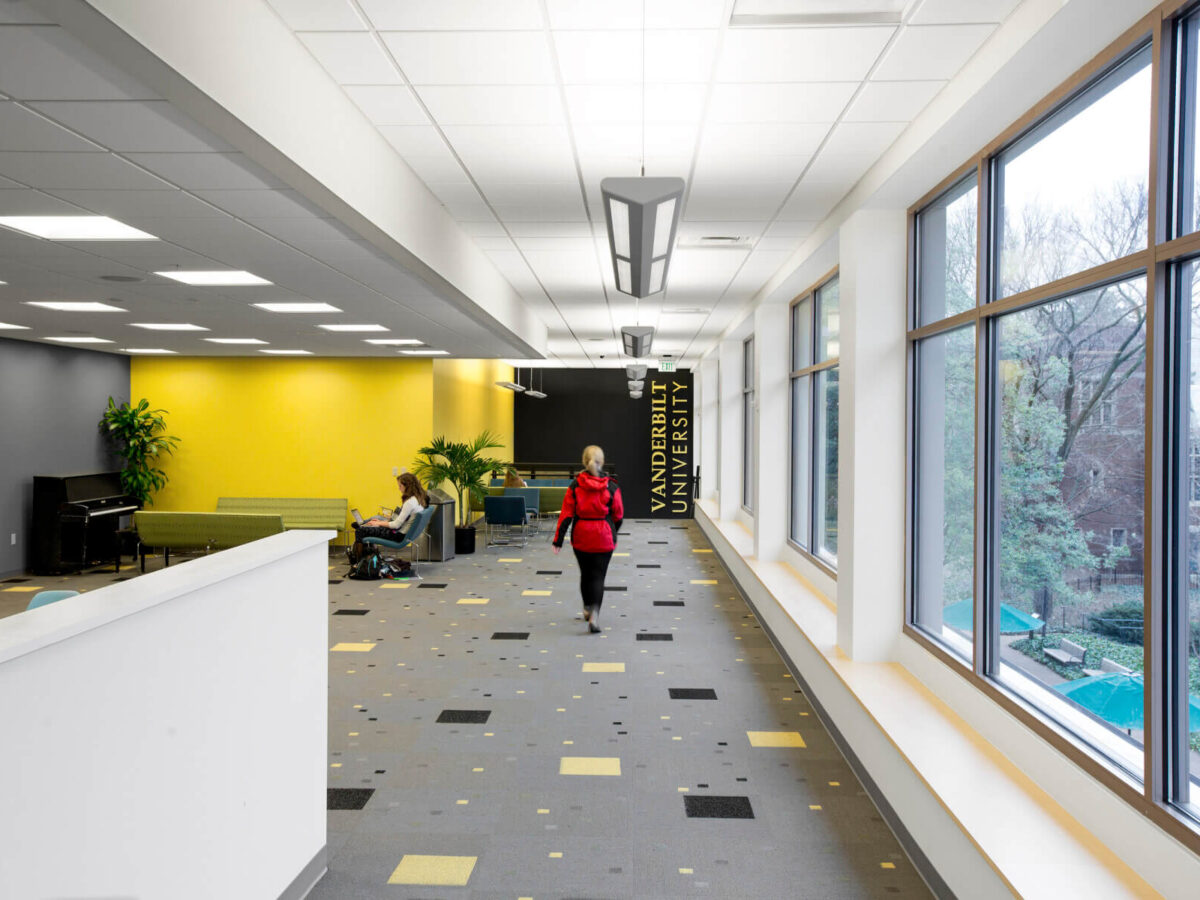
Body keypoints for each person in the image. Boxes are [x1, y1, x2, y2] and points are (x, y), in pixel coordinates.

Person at [552, 445, 624, 634]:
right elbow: (619, 515)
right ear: (603, 462)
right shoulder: (612, 486)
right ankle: (595, 615)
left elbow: (566, 514)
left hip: (582, 535)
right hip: (604, 536)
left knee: (586, 574)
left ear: (584, 462)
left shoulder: (575, 485)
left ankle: (586, 608)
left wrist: (558, 539)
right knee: (599, 577)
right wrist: (612, 531)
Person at [354, 472, 427, 545]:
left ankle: (360, 555)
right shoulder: (418, 499)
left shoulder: (409, 503)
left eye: (400, 486)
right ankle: (369, 553)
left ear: (407, 486)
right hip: (401, 532)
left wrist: (379, 523)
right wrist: (380, 523)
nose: (399, 489)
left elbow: (396, 525)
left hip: (397, 535)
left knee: (360, 531)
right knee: (371, 526)